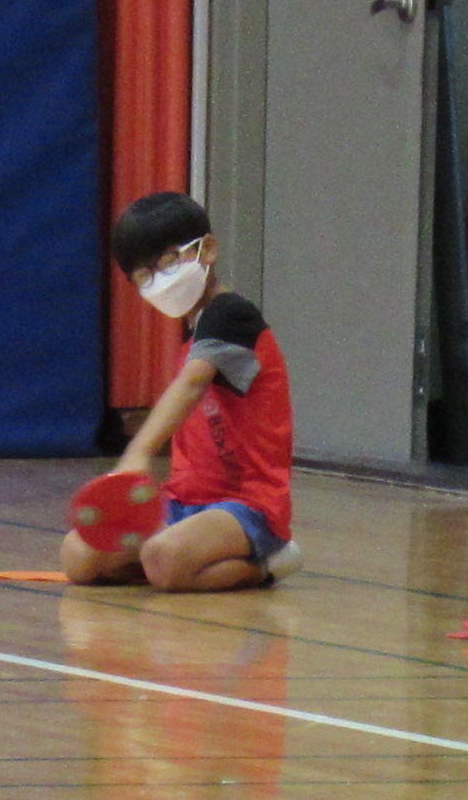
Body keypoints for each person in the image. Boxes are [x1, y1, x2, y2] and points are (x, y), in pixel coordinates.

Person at [64, 192, 300, 590]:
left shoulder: (232, 316)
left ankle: (272, 562)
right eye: (143, 275)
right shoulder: (189, 336)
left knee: (164, 559)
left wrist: (137, 453)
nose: (158, 280)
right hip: (183, 501)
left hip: (247, 505)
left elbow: (191, 384)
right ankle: (176, 559)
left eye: (169, 261)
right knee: (80, 556)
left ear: (207, 250)